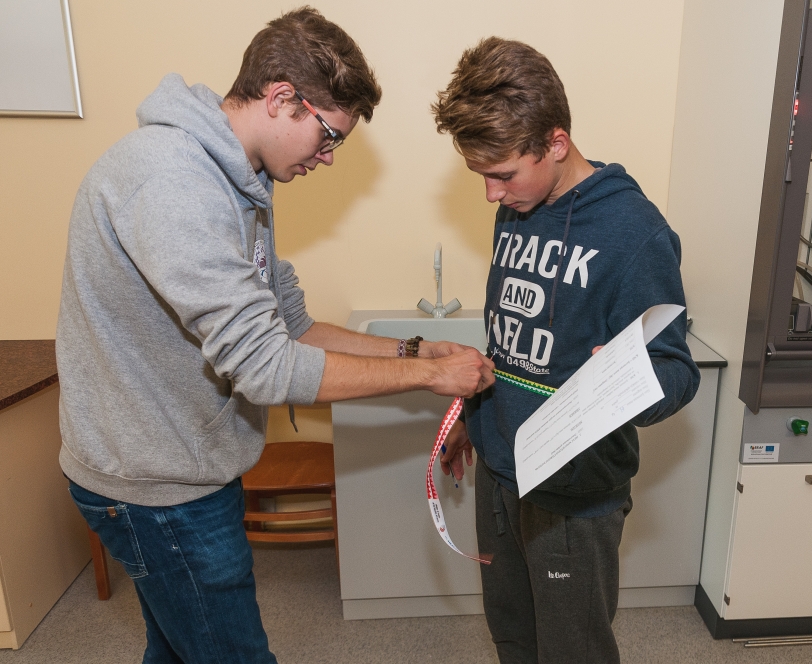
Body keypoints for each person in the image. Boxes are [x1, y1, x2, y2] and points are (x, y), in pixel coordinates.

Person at [56, 7, 493, 663]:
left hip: (187, 464)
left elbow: (292, 326)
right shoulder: (173, 182)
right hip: (157, 488)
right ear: (282, 98)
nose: (329, 156)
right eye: (328, 135)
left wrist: (414, 349)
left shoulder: (243, 182)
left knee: (177, 649)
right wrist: (428, 376)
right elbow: (265, 367)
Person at [433, 37, 700, 664]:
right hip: (500, 469)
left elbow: (677, 370)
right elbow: (515, 334)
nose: (491, 195)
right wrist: (474, 415)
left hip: (574, 495)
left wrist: (624, 382)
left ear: (556, 143)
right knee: (513, 636)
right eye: (481, 176)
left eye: (502, 175)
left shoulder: (635, 233)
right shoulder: (519, 205)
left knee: (573, 648)